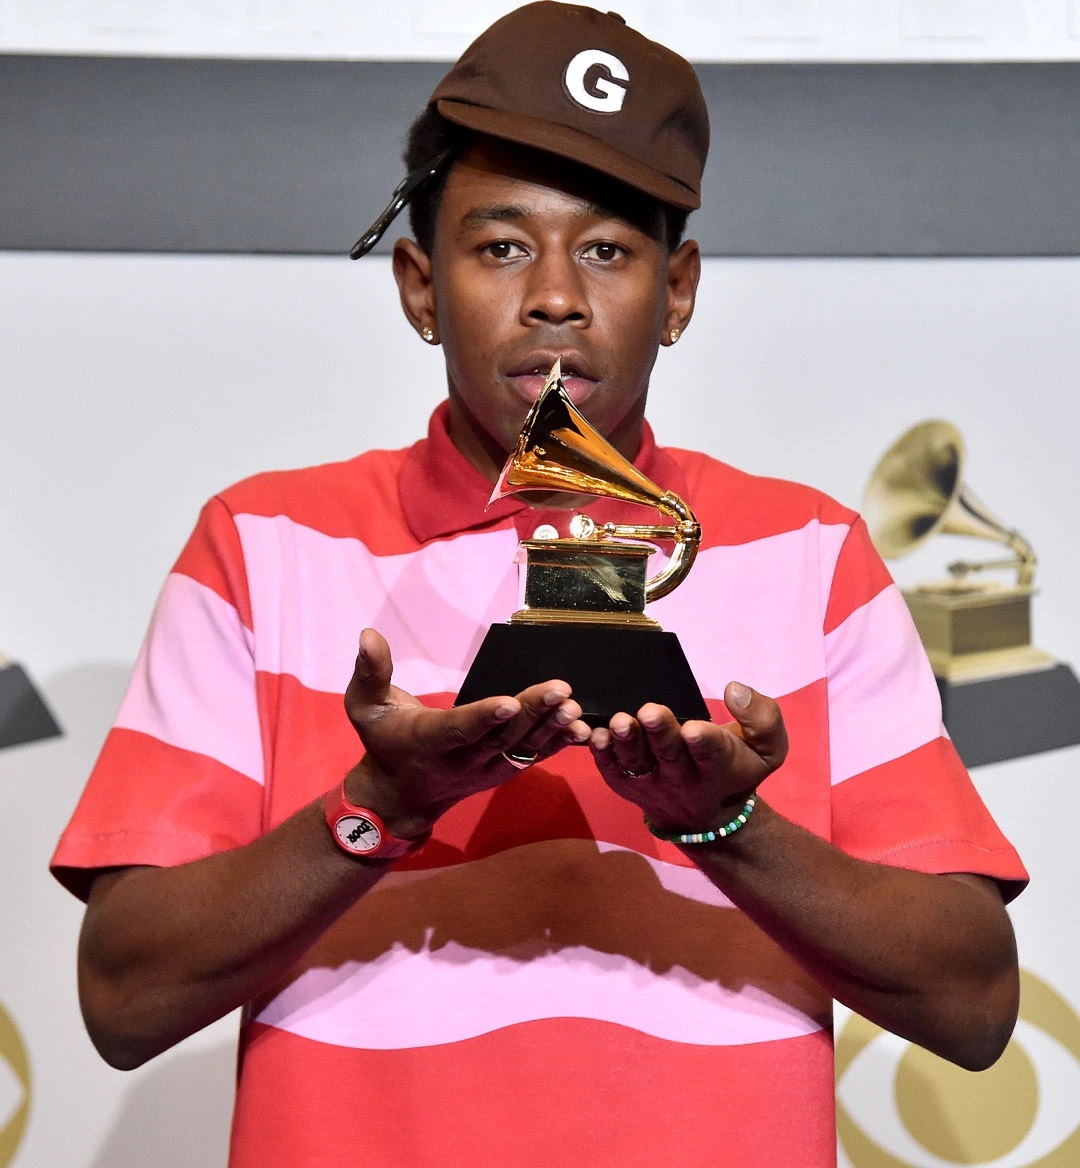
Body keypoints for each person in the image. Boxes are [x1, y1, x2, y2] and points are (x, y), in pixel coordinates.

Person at [52, 4, 1027, 1165]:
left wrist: (722, 822)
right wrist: (382, 806)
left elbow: (973, 1007)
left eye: (609, 249)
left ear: (680, 290)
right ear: (420, 286)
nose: (556, 296)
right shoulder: (262, 543)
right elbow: (122, 999)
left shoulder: (811, 554)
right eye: (502, 245)